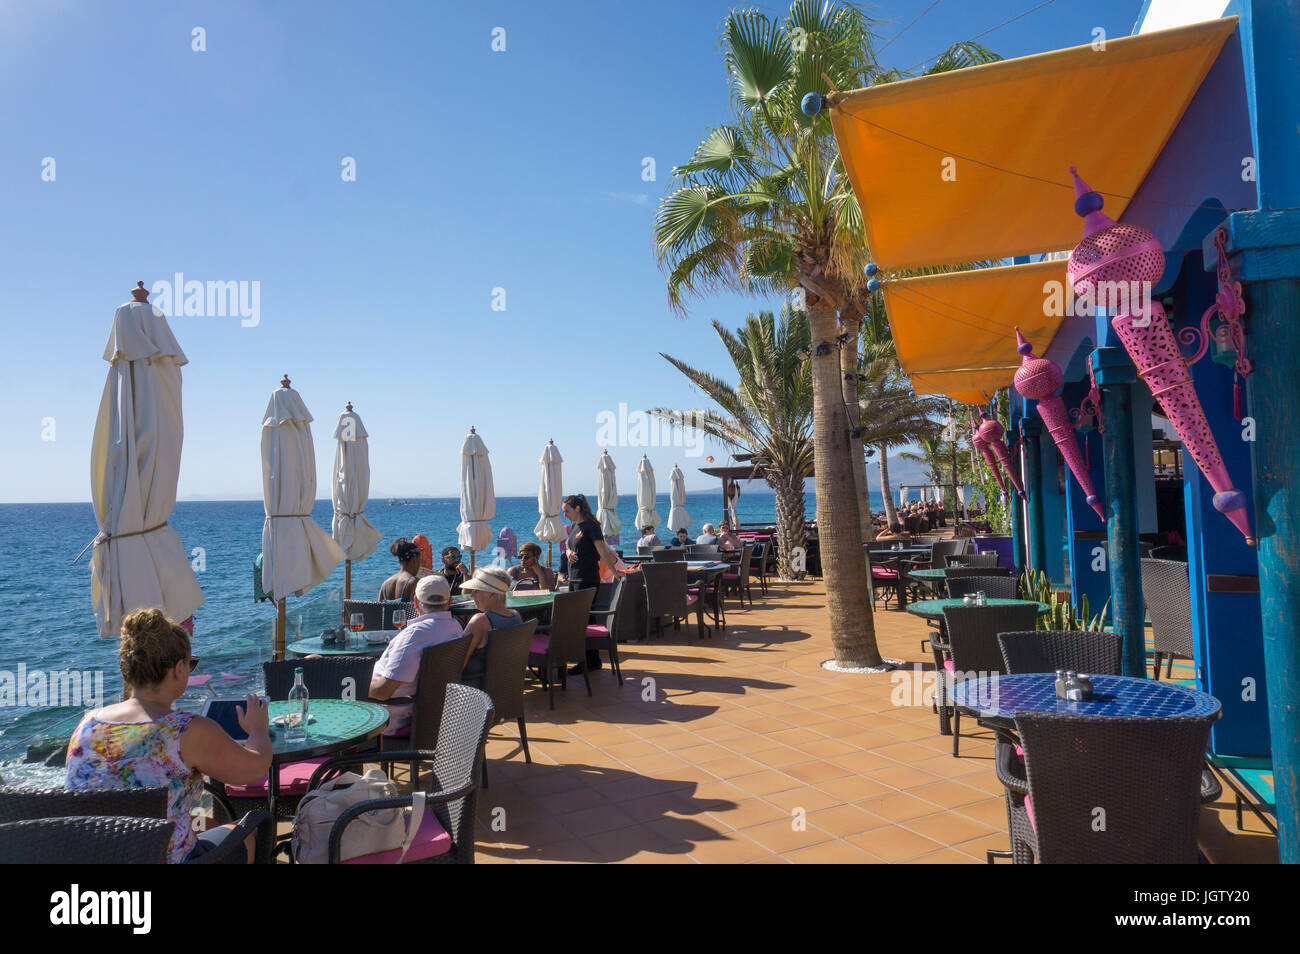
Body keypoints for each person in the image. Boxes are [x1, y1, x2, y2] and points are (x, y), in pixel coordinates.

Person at [65, 609, 271, 863]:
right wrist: (258, 728)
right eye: (190, 664)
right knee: (251, 832)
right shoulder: (185, 729)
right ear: (178, 669)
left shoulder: (86, 723)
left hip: (98, 865)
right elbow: (255, 768)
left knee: (205, 824)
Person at [368, 574, 464, 736]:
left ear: (415, 602)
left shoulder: (414, 636)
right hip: (431, 713)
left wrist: (353, 681)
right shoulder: (455, 627)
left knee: (322, 675)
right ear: (449, 602)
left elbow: (383, 692)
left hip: (388, 718)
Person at [562, 493, 624, 672]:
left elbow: (602, 551)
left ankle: (588, 662)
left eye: (567, 511)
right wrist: (567, 553)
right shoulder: (576, 526)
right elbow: (568, 544)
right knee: (582, 619)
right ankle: (592, 660)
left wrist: (614, 573)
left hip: (587, 578)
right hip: (574, 579)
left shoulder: (592, 526)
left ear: (578, 508)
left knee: (584, 619)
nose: (565, 514)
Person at [459, 567, 523, 689]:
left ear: (492, 594)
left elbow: (459, 661)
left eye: (477, 591)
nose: (472, 595)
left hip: (473, 693)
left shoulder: (480, 621)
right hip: (505, 688)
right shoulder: (516, 616)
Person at [378, 538, 423, 602]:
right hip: (407, 612)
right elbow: (418, 609)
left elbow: (379, 609)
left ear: (399, 561)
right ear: (414, 560)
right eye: (420, 561)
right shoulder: (414, 582)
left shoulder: (385, 584)